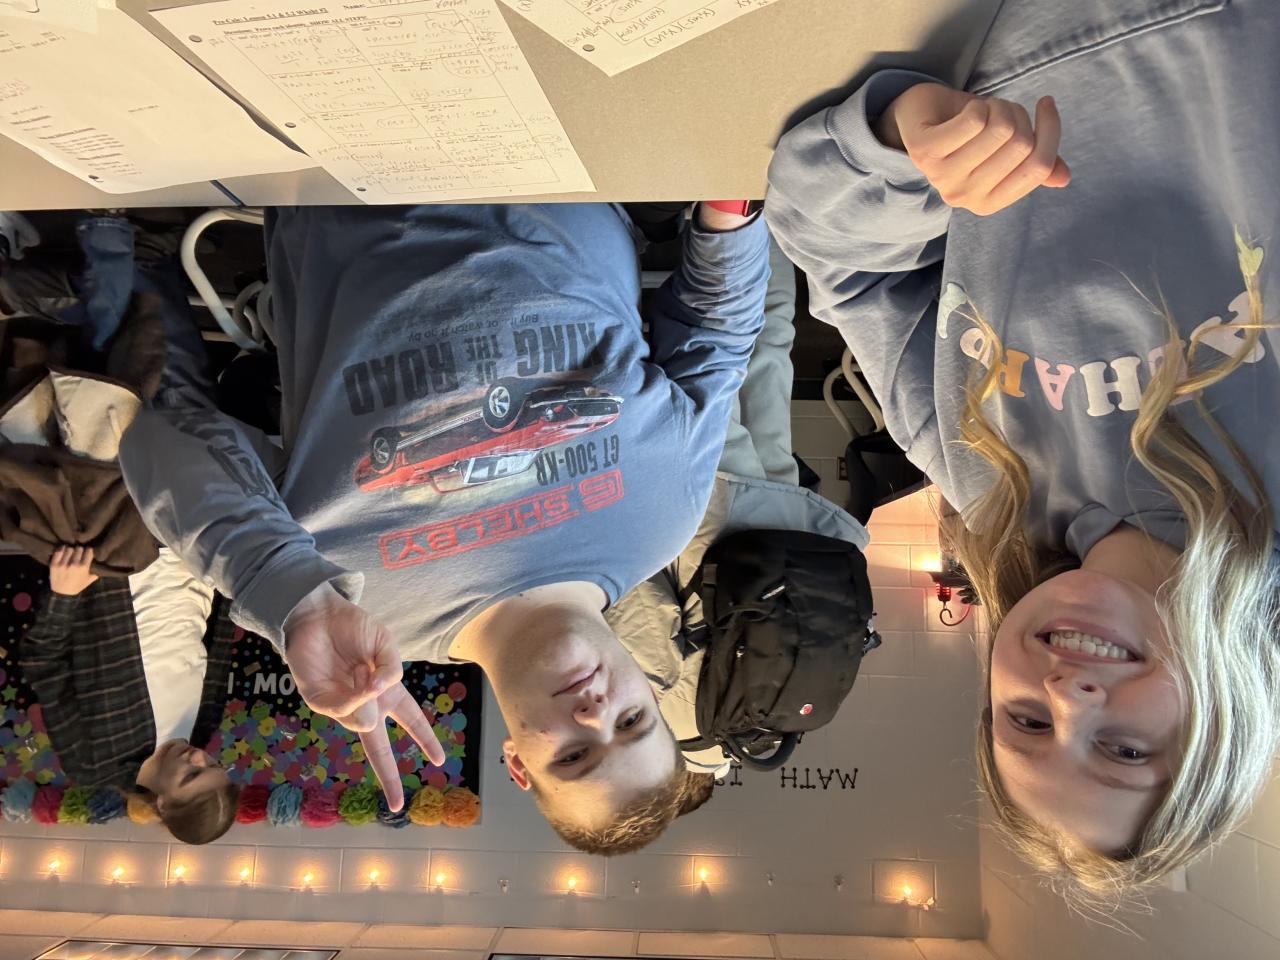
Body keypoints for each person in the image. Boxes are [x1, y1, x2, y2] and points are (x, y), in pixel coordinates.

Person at [765, 0, 1278, 909]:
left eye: (1027, 722)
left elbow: (834, 255)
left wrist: (904, 147)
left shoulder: (975, 472)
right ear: (1223, 726)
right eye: (1125, 749)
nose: (1069, 695)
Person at [120, 202, 770, 853]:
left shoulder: (338, 614)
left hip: (350, 189)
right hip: (559, 175)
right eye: (631, 721)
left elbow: (159, 438)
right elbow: (714, 336)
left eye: (573, 755)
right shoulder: (665, 520)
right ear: (654, 692)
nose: (594, 712)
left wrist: (282, 582)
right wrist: (729, 218)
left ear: (517, 763)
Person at [607, 233, 869, 788]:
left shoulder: (771, 728)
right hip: (717, 518)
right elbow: (642, 606)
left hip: (788, 531)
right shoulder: (676, 722)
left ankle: (766, 233)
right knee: (708, 359)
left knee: (767, 361)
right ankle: (724, 223)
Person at [20, 544, 240, 844]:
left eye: (191, 775)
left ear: (164, 804)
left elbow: (42, 663)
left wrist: (63, 597)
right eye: (214, 765)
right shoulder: (205, 723)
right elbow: (218, 632)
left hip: (115, 553)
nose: (199, 757)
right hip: (191, 543)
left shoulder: (93, 764)